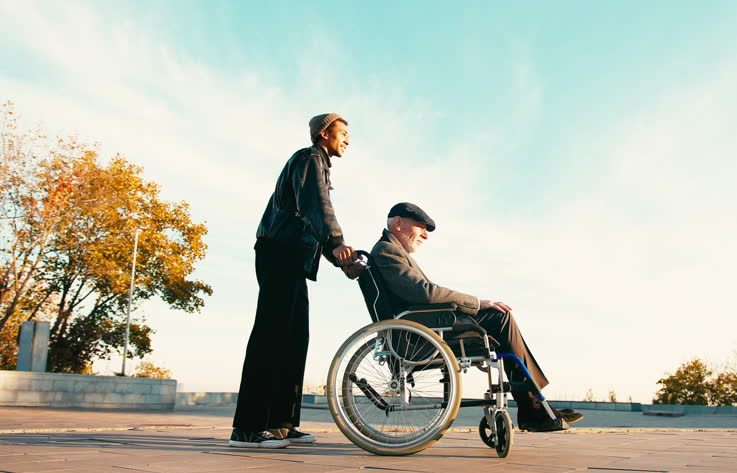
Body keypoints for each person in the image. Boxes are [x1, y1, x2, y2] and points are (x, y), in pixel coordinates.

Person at [369, 202, 583, 432]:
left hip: (425, 325)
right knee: (500, 317)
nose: (425, 236)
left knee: (500, 320)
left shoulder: (393, 252)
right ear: (398, 223)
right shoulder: (386, 250)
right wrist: (477, 303)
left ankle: (534, 405)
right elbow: (424, 292)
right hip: (420, 332)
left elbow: (423, 292)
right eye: (420, 227)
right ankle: (533, 407)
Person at [230, 113, 364, 449]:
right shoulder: (309, 158)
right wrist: (337, 242)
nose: (348, 139)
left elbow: (311, 219)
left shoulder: (319, 165)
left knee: (294, 337)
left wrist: (338, 258)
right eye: (343, 132)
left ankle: (280, 423)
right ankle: (247, 428)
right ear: (323, 134)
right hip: (278, 252)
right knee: (271, 335)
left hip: (292, 257)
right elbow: (315, 205)